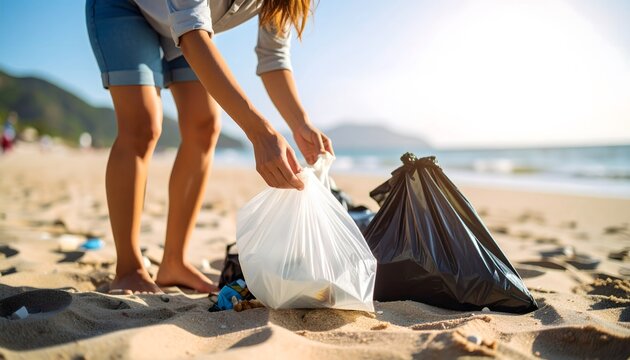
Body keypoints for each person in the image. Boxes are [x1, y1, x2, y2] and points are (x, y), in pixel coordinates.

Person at [85, 0, 334, 294]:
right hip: (126, 7)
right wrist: (258, 132)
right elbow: (191, 35)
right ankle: (129, 268)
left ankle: (173, 262)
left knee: (204, 126)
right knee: (143, 125)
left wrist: (300, 123)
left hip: (181, 23)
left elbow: (273, 57)